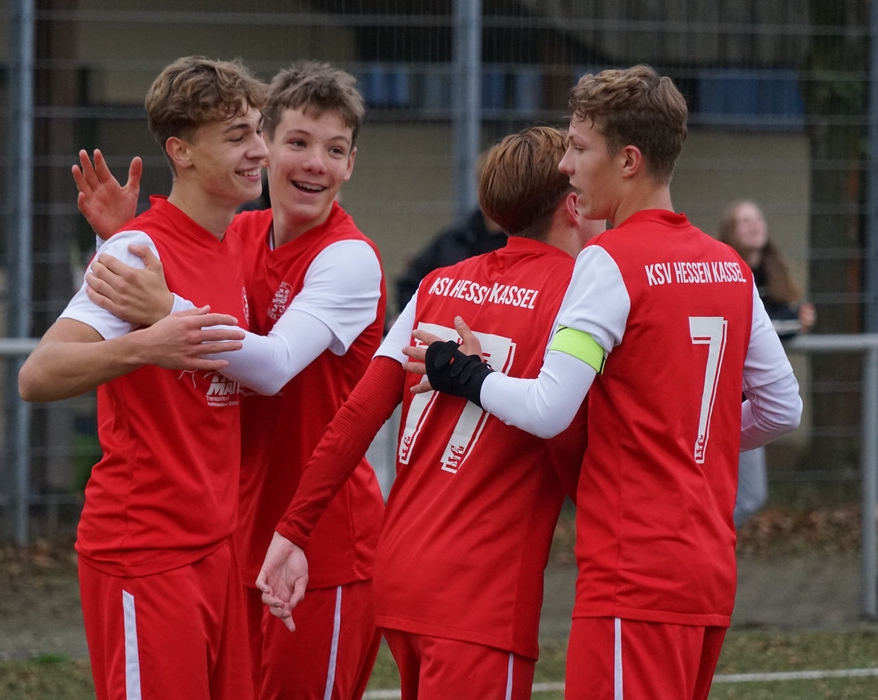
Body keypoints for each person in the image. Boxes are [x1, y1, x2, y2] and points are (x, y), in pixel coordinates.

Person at [403, 65, 803, 699]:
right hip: (707, 570)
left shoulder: (607, 261)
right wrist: (685, 442)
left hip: (632, 573)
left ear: (629, 161)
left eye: (579, 147)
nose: (566, 165)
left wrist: (466, 374)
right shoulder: (729, 266)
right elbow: (782, 409)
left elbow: (548, 409)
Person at [256, 125, 604, 700]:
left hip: (401, 570)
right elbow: (575, 449)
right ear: (572, 204)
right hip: (481, 590)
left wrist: (294, 529)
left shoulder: (440, 283)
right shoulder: (581, 297)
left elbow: (355, 417)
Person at [73, 61, 386, 700]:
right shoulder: (234, 233)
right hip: (235, 538)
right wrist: (128, 241)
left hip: (320, 542)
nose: (314, 164)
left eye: (335, 150)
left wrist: (165, 308)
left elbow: (271, 367)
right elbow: (175, 265)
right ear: (267, 145)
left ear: (351, 165)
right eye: (297, 142)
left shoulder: (349, 258)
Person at [18, 56, 269, 699]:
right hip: (146, 551)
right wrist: (145, 346)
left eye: (259, 131)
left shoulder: (229, 241)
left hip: (216, 546)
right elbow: (38, 375)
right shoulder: (138, 252)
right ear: (180, 152)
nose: (259, 151)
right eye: (237, 136)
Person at [718, 198, 816, 527]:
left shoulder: (772, 275)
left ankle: (701, 540)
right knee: (740, 494)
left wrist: (792, 321)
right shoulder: (723, 268)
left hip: (748, 404)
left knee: (747, 496)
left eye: (757, 219)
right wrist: (790, 323)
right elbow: (760, 325)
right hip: (721, 400)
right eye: (744, 221)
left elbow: (779, 322)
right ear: (729, 231)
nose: (754, 225)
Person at [393, 153, 506, 311]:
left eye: (502, 186)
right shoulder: (453, 239)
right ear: (477, 188)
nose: (495, 194)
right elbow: (409, 286)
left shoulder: (522, 245)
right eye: (487, 185)